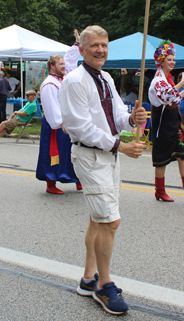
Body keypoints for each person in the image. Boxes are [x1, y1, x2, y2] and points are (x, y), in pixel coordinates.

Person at [61, 25, 147, 316]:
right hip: (90, 156)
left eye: (104, 45)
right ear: (82, 49)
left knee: (99, 220)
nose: (100, 50)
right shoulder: (74, 80)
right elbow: (80, 127)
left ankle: (88, 279)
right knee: (110, 221)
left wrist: (131, 119)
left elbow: (116, 115)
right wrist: (120, 146)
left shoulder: (107, 77)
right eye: (95, 45)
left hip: (108, 157)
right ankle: (104, 285)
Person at [149, 41, 184, 203]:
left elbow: (174, 98)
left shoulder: (169, 79)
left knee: (183, 154)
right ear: (161, 61)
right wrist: (181, 85)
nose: (172, 62)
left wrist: (183, 90)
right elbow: (167, 97)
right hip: (163, 123)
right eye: (169, 59)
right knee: (162, 158)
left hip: (174, 121)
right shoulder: (157, 80)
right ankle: (159, 191)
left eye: (173, 59)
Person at [36, 28, 81, 194]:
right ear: (52, 67)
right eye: (61, 65)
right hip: (55, 125)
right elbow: (50, 107)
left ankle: (77, 180)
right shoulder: (49, 84)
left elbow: (70, 61)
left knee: (72, 152)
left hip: (67, 122)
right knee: (54, 153)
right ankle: (51, 184)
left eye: (64, 64)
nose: (65, 67)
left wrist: (77, 43)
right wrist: (59, 122)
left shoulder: (63, 77)